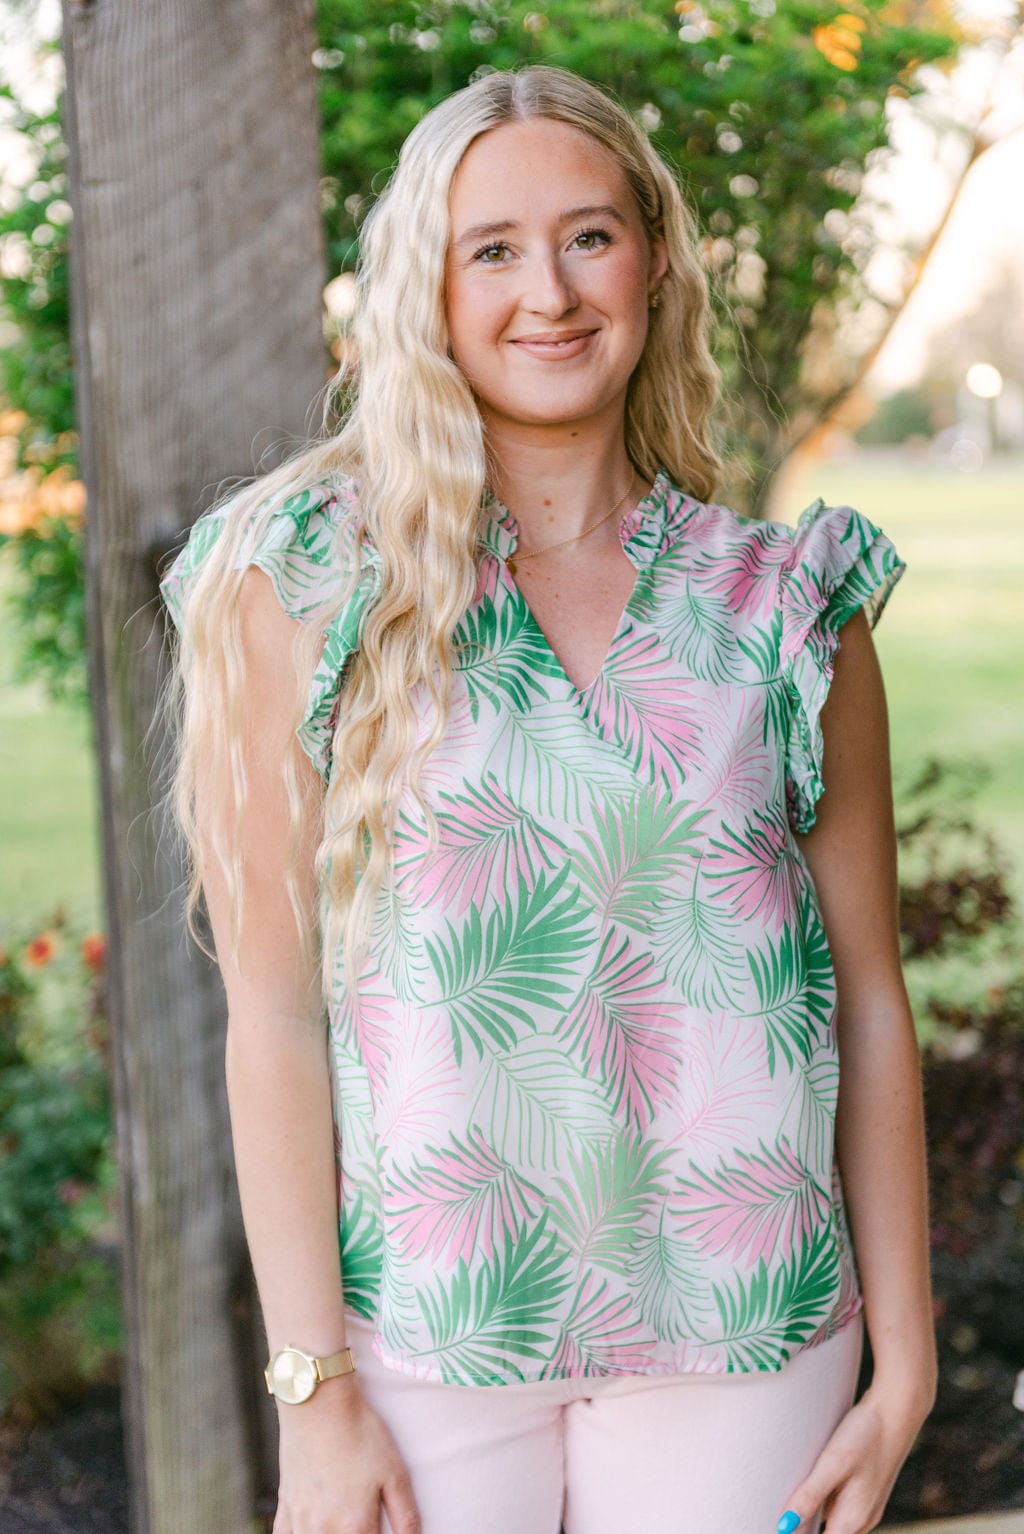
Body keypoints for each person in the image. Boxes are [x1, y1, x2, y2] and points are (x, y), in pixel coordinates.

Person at [157, 63, 937, 1534]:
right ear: (428, 291)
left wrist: (907, 1369)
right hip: (419, 1343)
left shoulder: (789, 606)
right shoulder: (310, 588)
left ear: (655, 260)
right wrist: (313, 1392)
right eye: (494, 250)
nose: (551, 293)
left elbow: (871, 999)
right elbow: (271, 1014)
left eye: (590, 236)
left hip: (750, 1337)